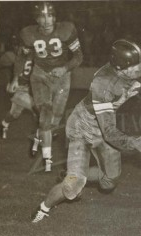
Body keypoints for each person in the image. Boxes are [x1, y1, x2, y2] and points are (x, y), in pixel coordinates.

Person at [31, 39, 141, 223]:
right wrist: (132, 142)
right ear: (120, 69)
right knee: (72, 188)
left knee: (109, 182)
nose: (140, 71)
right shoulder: (103, 83)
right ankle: (44, 207)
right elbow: (109, 131)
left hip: (104, 127)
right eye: (134, 68)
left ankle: (72, 174)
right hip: (83, 127)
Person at [11, 2, 83, 172]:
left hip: (62, 77)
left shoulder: (66, 30)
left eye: (50, 15)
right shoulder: (28, 34)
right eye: (42, 16)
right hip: (40, 74)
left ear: (55, 16)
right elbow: (22, 57)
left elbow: (79, 56)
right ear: (37, 19)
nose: (47, 20)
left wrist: (64, 68)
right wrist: (15, 78)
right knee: (45, 110)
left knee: (54, 121)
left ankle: (38, 137)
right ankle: (47, 160)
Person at [0, 57, 38, 139]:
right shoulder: (21, 58)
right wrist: (11, 82)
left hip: (30, 88)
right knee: (37, 109)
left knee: (15, 113)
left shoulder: (35, 56)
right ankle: (42, 134)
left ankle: (4, 124)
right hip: (21, 89)